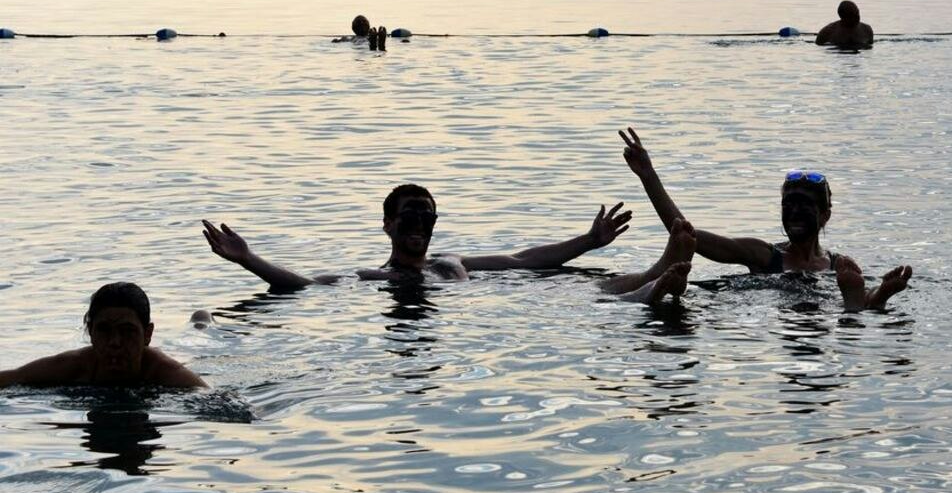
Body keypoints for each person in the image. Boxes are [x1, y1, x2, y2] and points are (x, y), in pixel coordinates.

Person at [618, 128, 912, 309]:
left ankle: (874, 297)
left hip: (806, 303)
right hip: (779, 304)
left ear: (825, 215)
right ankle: (863, 302)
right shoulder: (764, 254)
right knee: (850, 308)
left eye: (805, 205)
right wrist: (649, 177)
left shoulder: (840, 266)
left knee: (854, 300)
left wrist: (876, 288)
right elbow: (688, 235)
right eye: (788, 203)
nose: (795, 211)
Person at [202, 184, 632, 290]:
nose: (419, 224)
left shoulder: (453, 263)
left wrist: (587, 242)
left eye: (426, 216)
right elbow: (305, 286)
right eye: (409, 216)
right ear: (387, 224)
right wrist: (248, 258)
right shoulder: (372, 279)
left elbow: (524, 261)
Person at [0, 282, 206, 388]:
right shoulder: (72, 366)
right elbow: (10, 378)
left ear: (147, 334)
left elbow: (224, 406)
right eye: (104, 330)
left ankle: (201, 321)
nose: (115, 343)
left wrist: (241, 260)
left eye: (127, 332)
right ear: (90, 331)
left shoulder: (165, 372)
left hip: (184, 354)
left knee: (200, 327)